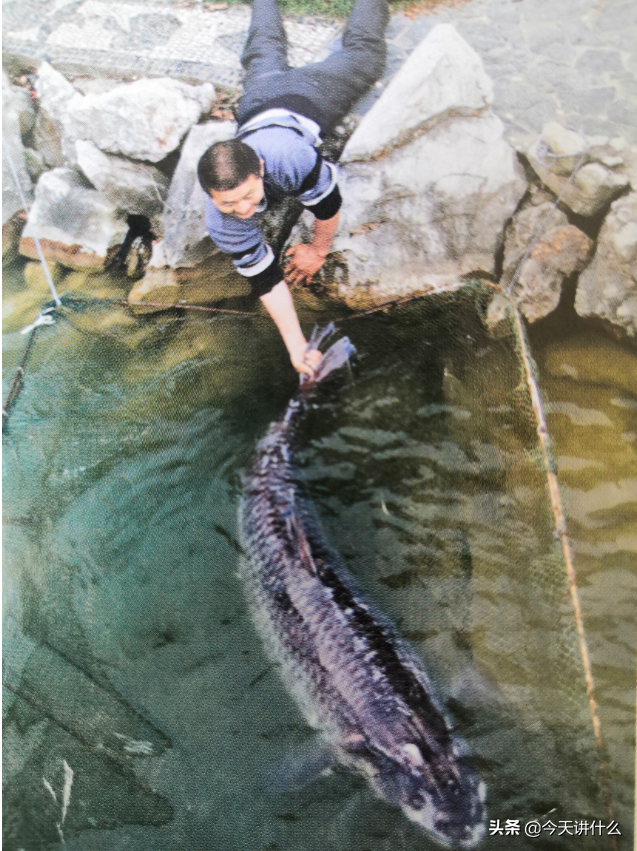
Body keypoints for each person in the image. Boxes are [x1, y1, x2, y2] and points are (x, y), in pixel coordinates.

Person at [198, 0, 389, 375]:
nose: (243, 211)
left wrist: (318, 250)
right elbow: (265, 278)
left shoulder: (290, 159)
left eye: (248, 196)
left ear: (261, 169)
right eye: (228, 205)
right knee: (262, 48)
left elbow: (328, 203)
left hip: (310, 96)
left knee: (366, 54)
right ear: (210, 196)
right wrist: (297, 346)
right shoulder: (220, 220)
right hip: (258, 99)